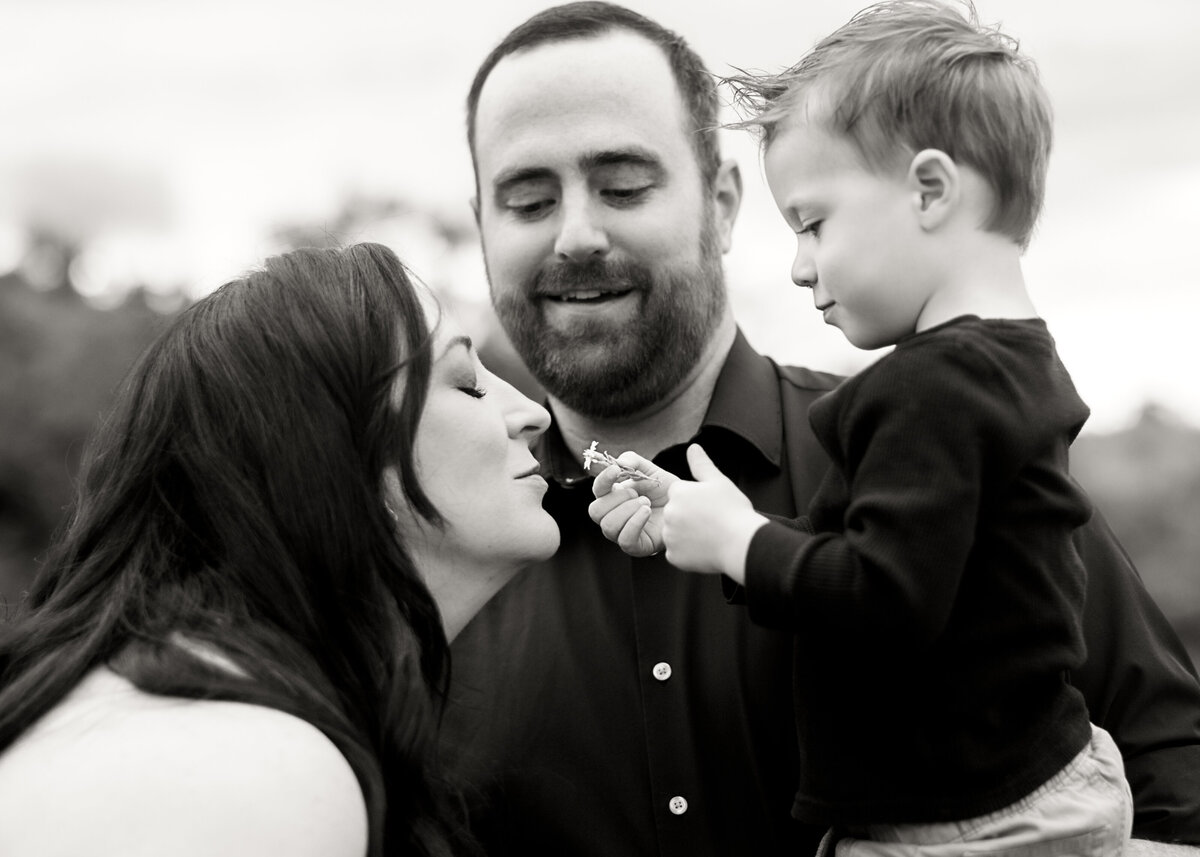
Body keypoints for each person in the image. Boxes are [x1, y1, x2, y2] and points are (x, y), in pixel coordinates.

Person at [439, 3, 1200, 856]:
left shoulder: (949, 441)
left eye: (622, 187)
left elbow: (1176, 777)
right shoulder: (427, 565)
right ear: (481, 226)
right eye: (529, 199)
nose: (577, 234)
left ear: (723, 204)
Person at [0, 242, 560, 857]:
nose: (532, 413)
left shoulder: (217, 725)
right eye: (467, 383)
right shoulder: (249, 773)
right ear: (336, 458)